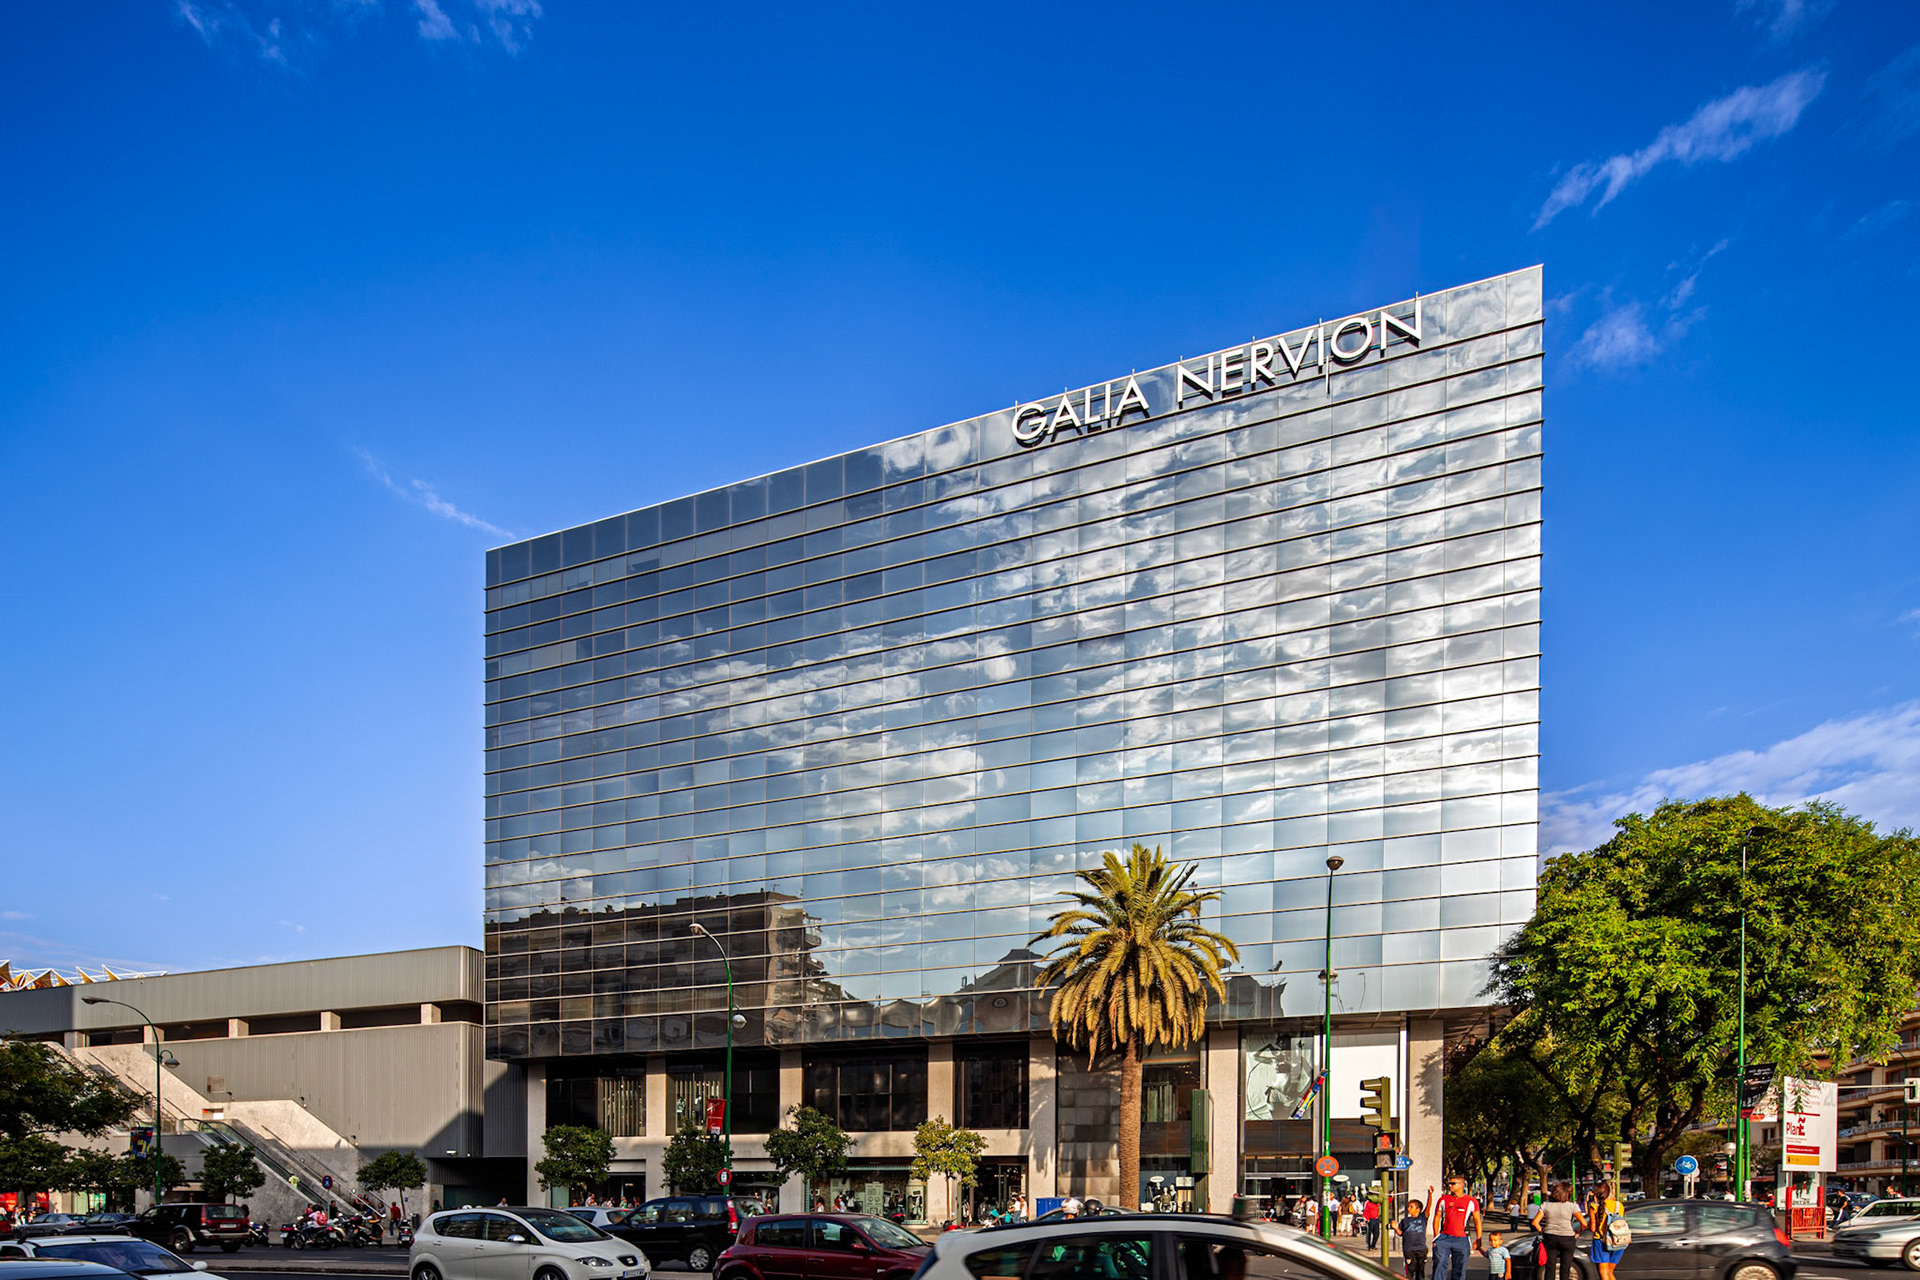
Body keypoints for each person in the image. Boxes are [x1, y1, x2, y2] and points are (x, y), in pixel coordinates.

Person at [1428, 1178, 1482, 1280]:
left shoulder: (1471, 1201)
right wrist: (1436, 1237)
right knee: (1439, 1265)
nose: (1450, 1186)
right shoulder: (1443, 1199)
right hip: (1444, 1237)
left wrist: (1479, 1239)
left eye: (1453, 1183)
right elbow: (1437, 1218)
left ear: (1461, 1185)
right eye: (1449, 1183)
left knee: (1459, 1269)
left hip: (1462, 1239)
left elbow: (1477, 1221)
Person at [1530, 1181, 1582, 1280]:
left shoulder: (1546, 1205)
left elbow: (1535, 1222)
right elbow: (1584, 1223)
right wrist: (1578, 1232)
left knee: (1550, 1266)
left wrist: (1542, 1231)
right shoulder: (1572, 1206)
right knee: (1565, 1267)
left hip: (1550, 1237)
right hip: (1568, 1237)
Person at [1586, 1181, 1627, 1280]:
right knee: (1610, 1272)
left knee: (1603, 1273)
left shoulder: (1594, 1207)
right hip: (1618, 1241)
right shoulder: (1619, 1205)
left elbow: (1593, 1228)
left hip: (1601, 1241)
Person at [1398, 1199, 1430, 1280]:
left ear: (1418, 1209)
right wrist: (1395, 1228)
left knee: (1420, 1272)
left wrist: (1430, 1195)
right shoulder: (1405, 1221)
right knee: (1409, 1272)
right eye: (1408, 1207)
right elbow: (1400, 1233)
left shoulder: (1422, 1218)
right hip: (1409, 1250)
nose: (1408, 1208)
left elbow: (1428, 1207)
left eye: (1411, 1207)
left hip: (1421, 1249)